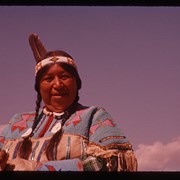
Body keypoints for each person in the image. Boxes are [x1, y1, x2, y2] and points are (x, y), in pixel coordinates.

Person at [0, 33, 138, 171]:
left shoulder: (94, 116)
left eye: (64, 77)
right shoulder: (17, 121)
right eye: (48, 79)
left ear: (76, 83)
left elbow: (111, 162)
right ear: (39, 88)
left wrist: (37, 168)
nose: (58, 84)